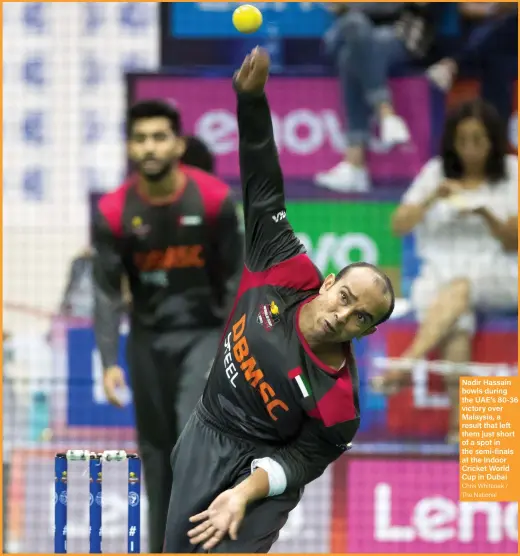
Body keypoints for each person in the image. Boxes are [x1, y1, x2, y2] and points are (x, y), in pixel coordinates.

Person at [163, 48, 395, 553]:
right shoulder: (284, 269)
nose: (342, 314)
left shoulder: (340, 403)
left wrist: (242, 494)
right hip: (206, 430)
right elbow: (264, 186)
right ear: (329, 281)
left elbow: (298, 463)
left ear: (367, 331)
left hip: (262, 473)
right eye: (345, 296)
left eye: (360, 317)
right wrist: (250, 100)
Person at [92, 99, 243, 553]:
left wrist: (231, 346)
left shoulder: (214, 200)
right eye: (140, 139)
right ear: (129, 148)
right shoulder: (114, 211)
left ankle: (199, 547)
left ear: (178, 144)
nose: (149, 147)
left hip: (203, 334)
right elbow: (105, 291)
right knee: (155, 457)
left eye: (159, 137)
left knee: (188, 443)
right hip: (146, 340)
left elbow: (237, 280)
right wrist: (108, 361)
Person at [383, 99, 517, 443]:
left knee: (460, 289)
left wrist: (484, 211)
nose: (471, 149)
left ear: (493, 140)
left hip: (500, 275)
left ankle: (407, 362)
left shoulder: (511, 172)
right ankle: (459, 430)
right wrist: (431, 199)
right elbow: (398, 225)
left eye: (479, 140)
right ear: (453, 141)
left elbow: (514, 240)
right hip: (438, 278)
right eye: (463, 140)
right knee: (457, 320)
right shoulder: (436, 172)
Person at [314, 3, 435, 193]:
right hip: (347, 32)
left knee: (351, 57)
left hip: (401, 34)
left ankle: (355, 165)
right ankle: (385, 112)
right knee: (354, 25)